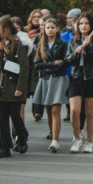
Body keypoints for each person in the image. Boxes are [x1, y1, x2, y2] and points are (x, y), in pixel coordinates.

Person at [0, 16, 31, 158]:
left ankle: (22, 136)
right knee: (2, 118)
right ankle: (5, 147)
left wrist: (20, 87)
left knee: (15, 116)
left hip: (13, 86)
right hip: (0, 87)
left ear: (5, 28)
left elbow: (24, 67)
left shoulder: (18, 45)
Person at [64, 13, 93, 153]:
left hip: (91, 78)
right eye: (81, 24)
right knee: (74, 111)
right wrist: (76, 52)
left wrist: (87, 47)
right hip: (76, 77)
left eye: (86, 23)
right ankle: (77, 137)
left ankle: (89, 141)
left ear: (91, 25)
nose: (83, 26)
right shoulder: (73, 40)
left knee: (89, 113)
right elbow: (68, 60)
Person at [30, 17, 69, 152]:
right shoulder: (41, 44)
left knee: (55, 109)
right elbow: (37, 64)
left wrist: (50, 67)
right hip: (45, 79)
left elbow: (64, 62)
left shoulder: (62, 44)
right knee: (47, 108)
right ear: (44, 29)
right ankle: (52, 132)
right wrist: (52, 64)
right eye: (48, 28)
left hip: (58, 78)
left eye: (53, 27)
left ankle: (55, 140)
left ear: (57, 28)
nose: (50, 30)